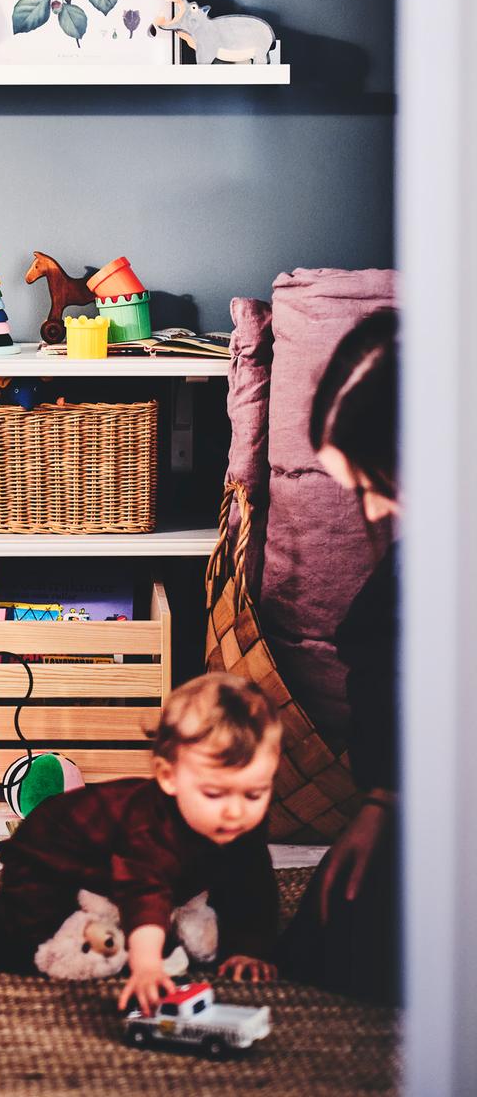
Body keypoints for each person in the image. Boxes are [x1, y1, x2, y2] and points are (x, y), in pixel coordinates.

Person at [0, 673, 281, 1014]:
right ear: (168, 777)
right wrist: (147, 966)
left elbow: (253, 881)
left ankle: (116, 914)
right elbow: (144, 890)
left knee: (219, 882)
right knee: (27, 942)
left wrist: (250, 945)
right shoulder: (150, 825)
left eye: (255, 793)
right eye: (215, 794)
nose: (236, 812)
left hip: (113, 869)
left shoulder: (241, 819)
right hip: (54, 851)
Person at [277, 309, 400, 1004]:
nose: (376, 514)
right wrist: (387, 798)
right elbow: (385, 669)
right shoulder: (407, 574)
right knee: (329, 940)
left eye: (378, 487)